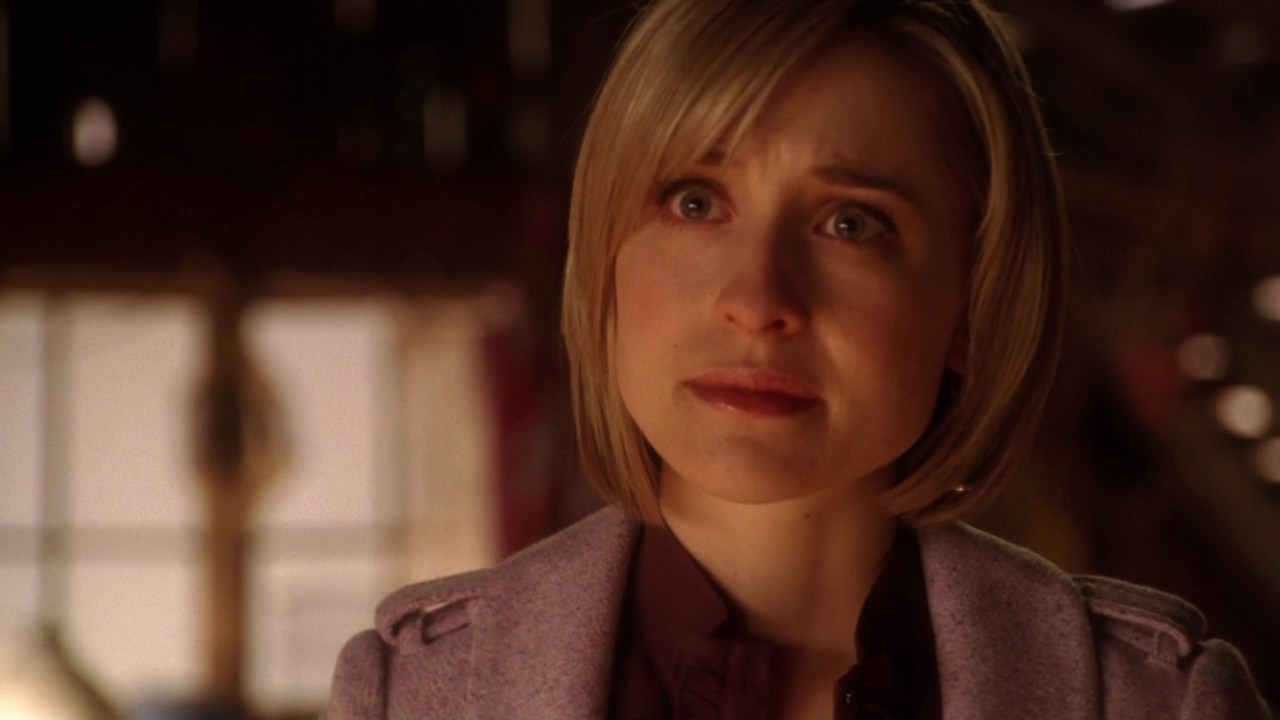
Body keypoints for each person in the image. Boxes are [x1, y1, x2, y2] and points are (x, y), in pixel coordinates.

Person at [323, 0, 1273, 717]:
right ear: (605, 262)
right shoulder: (411, 697)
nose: (757, 299)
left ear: (972, 305)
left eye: (851, 223)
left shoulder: (1159, 703)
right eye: (695, 202)